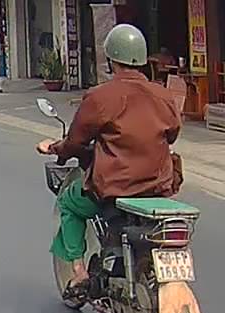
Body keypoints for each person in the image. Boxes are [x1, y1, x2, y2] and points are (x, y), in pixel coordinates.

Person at [35, 23, 182, 288]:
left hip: (114, 188)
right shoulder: (163, 95)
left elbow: (76, 141)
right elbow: (172, 134)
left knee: (69, 203)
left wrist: (55, 148)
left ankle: (79, 271)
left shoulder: (100, 96)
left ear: (112, 58)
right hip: (157, 186)